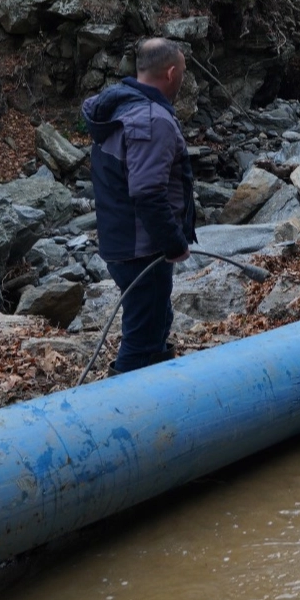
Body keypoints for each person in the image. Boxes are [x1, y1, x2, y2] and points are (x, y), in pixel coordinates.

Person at [82, 37, 197, 374]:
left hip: (124, 241)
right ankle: (121, 414)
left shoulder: (121, 107)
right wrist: (174, 244)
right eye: (184, 73)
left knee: (156, 321)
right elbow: (147, 193)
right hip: (141, 248)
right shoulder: (152, 120)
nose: (183, 80)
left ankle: (159, 389)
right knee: (143, 335)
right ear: (172, 72)